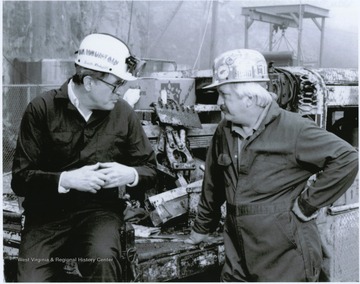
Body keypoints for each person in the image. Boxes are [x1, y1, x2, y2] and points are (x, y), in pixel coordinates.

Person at [185, 49, 358, 282]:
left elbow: (347, 158)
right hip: (237, 251)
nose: (219, 103)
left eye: (224, 95)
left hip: (284, 255)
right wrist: (201, 228)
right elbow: (213, 184)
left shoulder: (294, 129)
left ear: (250, 97)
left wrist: (308, 204)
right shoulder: (224, 132)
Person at [11, 33, 157, 282]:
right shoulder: (42, 109)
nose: (120, 92)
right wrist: (66, 180)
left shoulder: (123, 114)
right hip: (46, 216)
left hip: (99, 214)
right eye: (115, 85)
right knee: (29, 278)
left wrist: (130, 174)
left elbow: (151, 170)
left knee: (104, 263)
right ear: (89, 82)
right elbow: (21, 179)